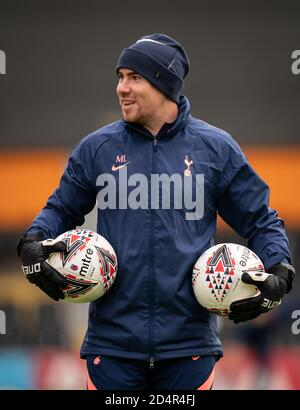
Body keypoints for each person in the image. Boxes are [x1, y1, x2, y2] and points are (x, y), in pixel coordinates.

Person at [17, 33, 295, 390]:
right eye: (120, 77)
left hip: (189, 348)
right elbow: (60, 208)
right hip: (113, 347)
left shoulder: (215, 149)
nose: (121, 88)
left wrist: (280, 272)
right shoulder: (97, 148)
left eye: (135, 77)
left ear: (164, 85)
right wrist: (33, 241)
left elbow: (261, 220)